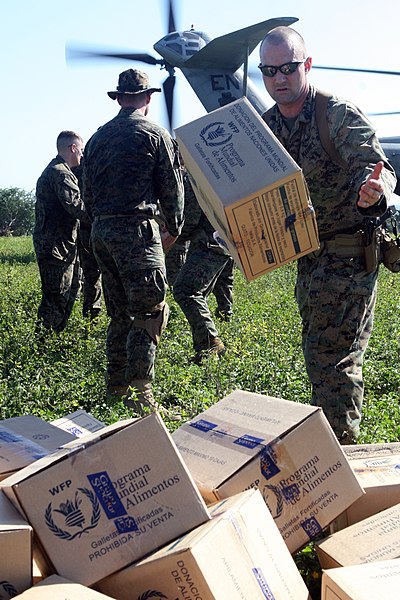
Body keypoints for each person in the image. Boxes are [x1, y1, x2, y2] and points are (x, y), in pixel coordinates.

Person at [259, 27, 397, 444]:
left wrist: (375, 193)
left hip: (351, 255)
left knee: (335, 363)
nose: (279, 78)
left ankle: (345, 458)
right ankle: (336, 455)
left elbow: (379, 169)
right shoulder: (264, 128)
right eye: (268, 71)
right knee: (320, 358)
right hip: (311, 259)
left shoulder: (335, 114)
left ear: (307, 65)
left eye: (287, 68)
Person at [82, 68, 184, 416]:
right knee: (150, 312)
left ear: (119, 98)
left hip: (102, 233)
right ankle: (142, 397)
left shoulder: (96, 139)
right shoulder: (155, 134)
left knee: (118, 313)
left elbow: (86, 193)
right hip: (137, 232)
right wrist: (175, 226)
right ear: (148, 98)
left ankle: (115, 386)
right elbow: (172, 188)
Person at [173, 171, 231, 364]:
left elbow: (190, 216)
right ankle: (203, 353)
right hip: (220, 241)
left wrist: (175, 236)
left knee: (185, 291)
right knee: (199, 295)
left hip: (208, 242)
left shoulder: (195, 175)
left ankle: (211, 342)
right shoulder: (215, 171)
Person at [33, 130, 88, 333]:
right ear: (72, 148)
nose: (82, 155)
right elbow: (76, 207)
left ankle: (54, 339)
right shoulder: (60, 173)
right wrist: (107, 213)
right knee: (56, 296)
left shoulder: (62, 171)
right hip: (55, 246)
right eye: (80, 150)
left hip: (63, 245)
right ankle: (43, 346)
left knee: (71, 291)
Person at [73, 163, 102, 322]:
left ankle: (92, 316)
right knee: (94, 275)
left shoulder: (76, 170)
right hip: (93, 227)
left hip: (88, 227)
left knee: (91, 276)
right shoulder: (103, 166)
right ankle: (94, 315)